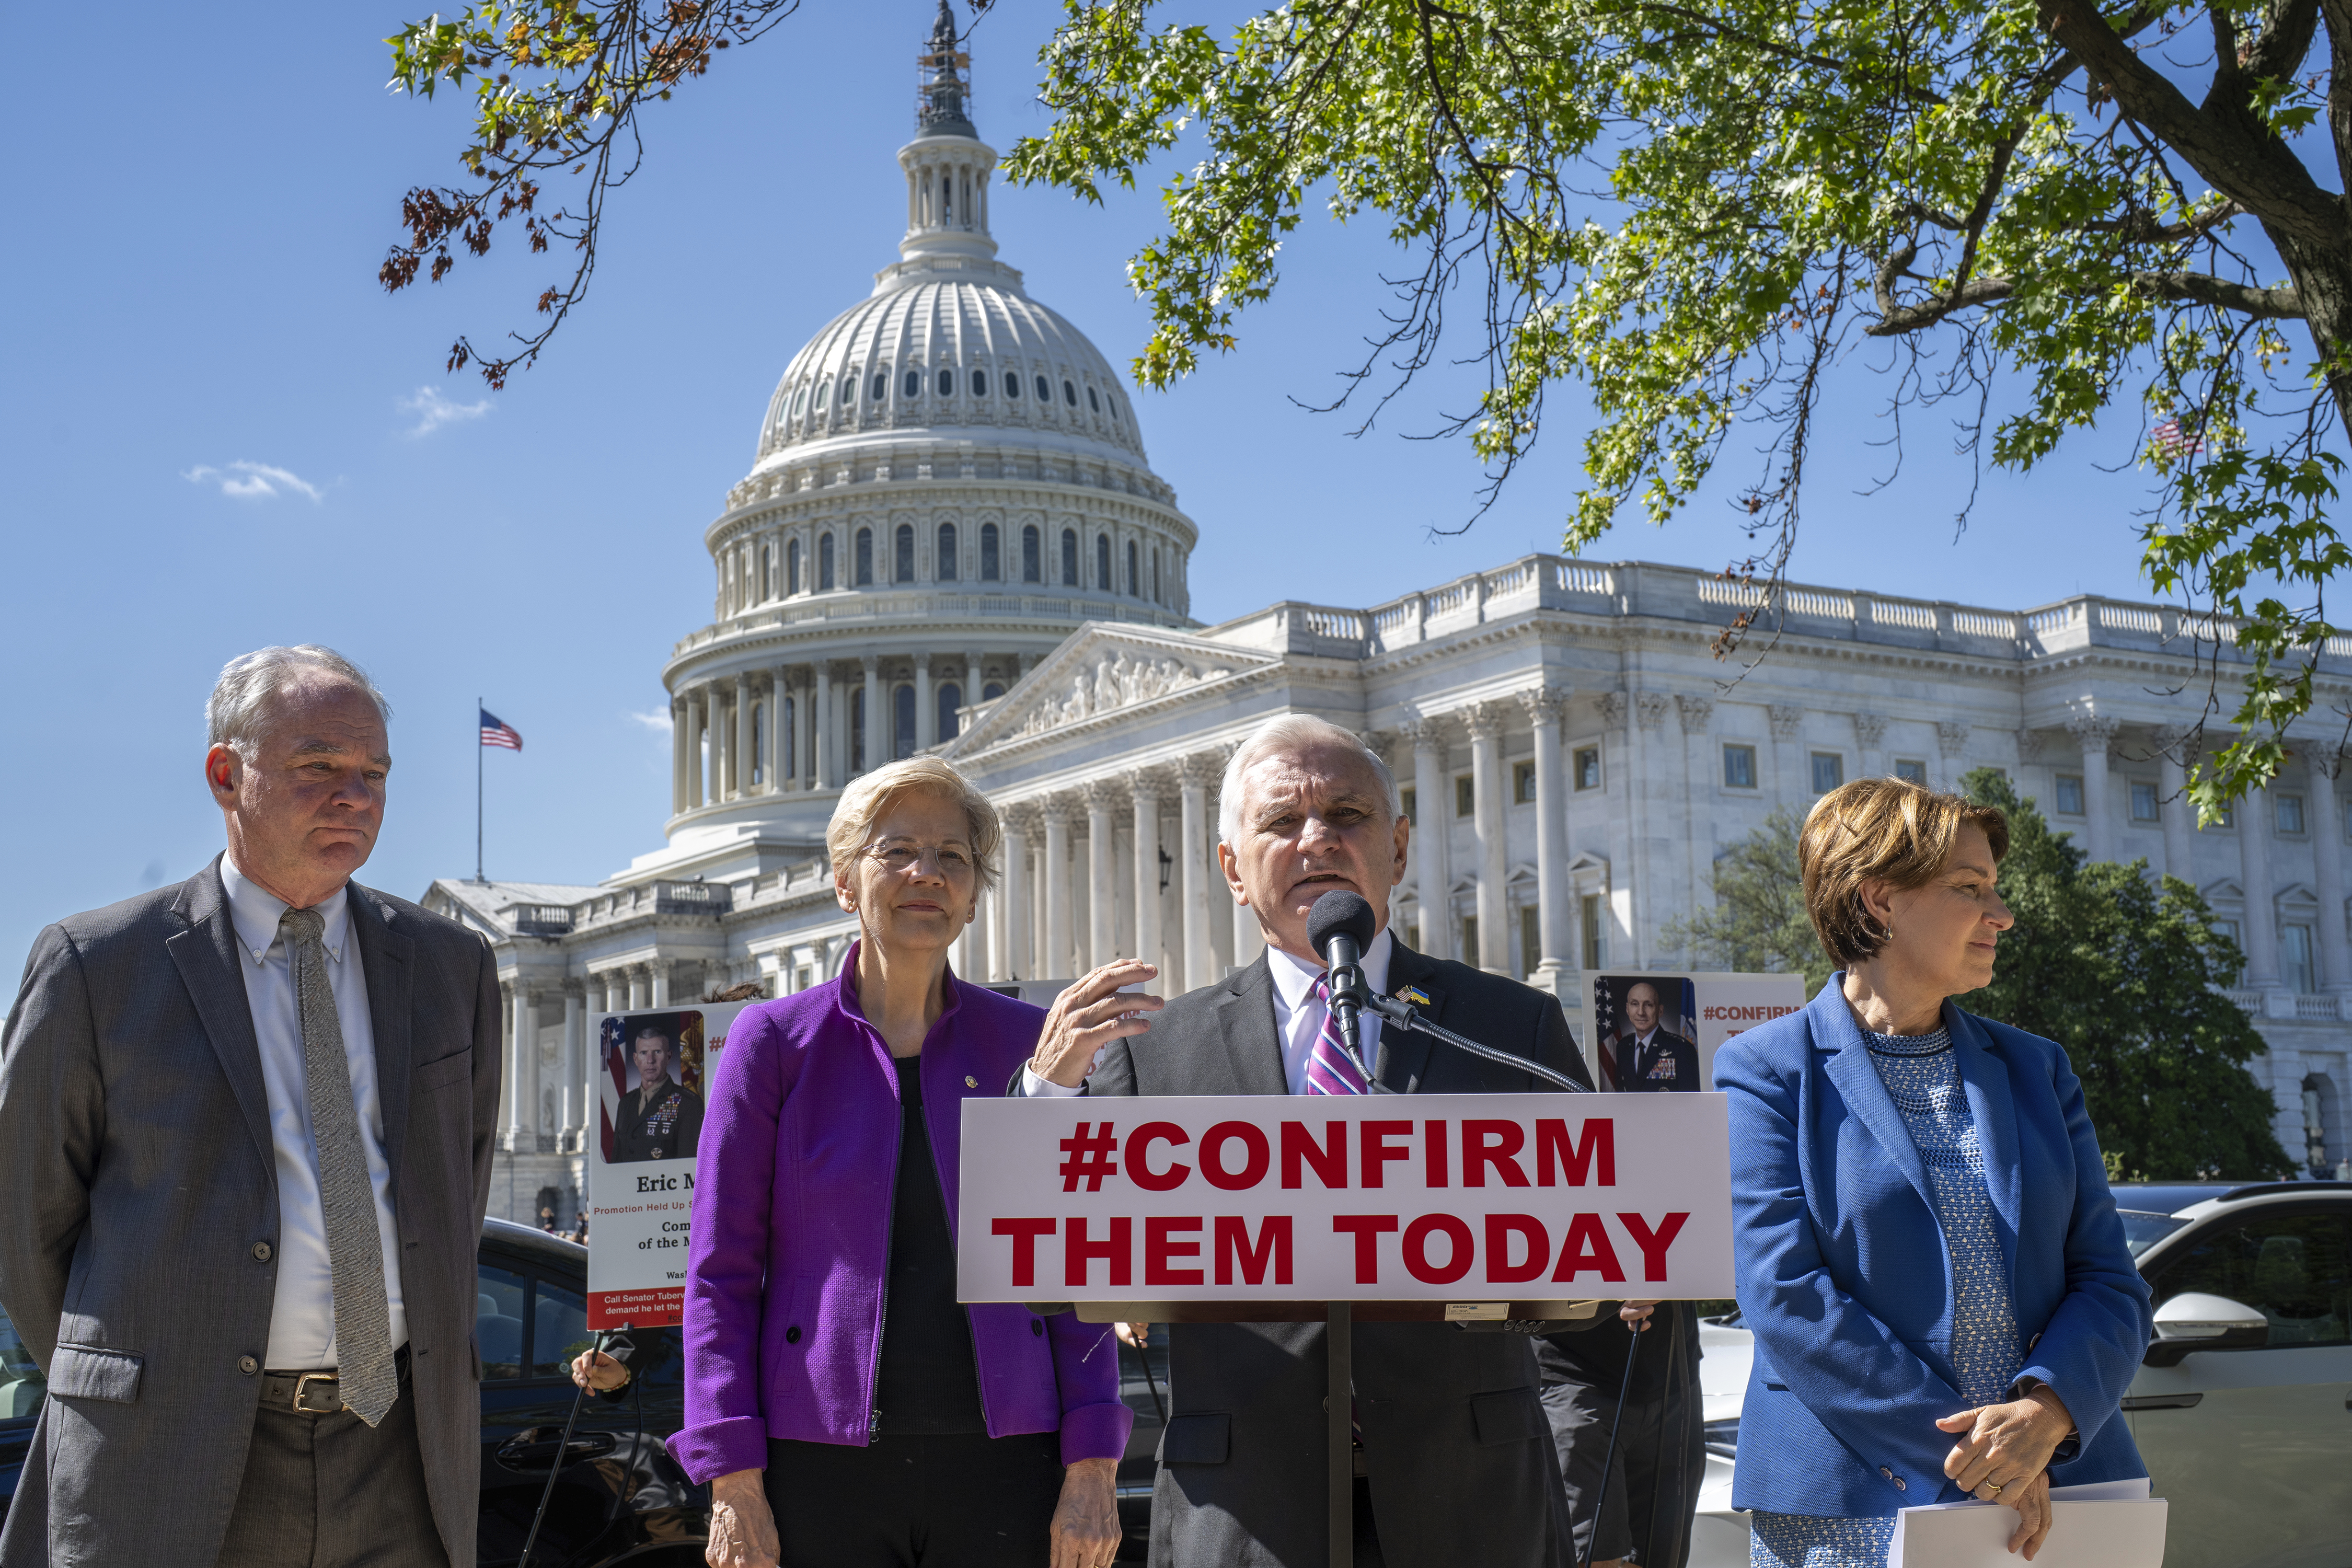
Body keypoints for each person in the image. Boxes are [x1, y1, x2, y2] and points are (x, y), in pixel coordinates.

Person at [1024, 713, 1593, 1568]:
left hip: (1472, 1505)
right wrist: (1047, 1091)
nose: (1317, 839)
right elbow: (1043, 1280)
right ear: (1232, 869)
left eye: (1348, 815)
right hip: (1244, 1511)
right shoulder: (1153, 1054)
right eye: (1282, 823)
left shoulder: (1513, 1026)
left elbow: (1596, 1272)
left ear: (1398, 849)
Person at [0, 645, 502, 1568]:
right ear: (227, 775)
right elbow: (24, 1228)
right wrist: (141, 1378)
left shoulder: (451, 968)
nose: (355, 796)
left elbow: (456, 1190)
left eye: (374, 774)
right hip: (171, 1459)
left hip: (399, 1455)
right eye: (319, 768)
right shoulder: (96, 969)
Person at [656, 756, 1132, 1568]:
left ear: (974, 894)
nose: (927, 873)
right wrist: (733, 1481)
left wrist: (1093, 1465)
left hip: (1009, 1461)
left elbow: (1075, 1273)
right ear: (846, 883)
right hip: (820, 1464)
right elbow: (720, 1275)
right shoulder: (771, 1045)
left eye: (953, 857)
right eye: (898, 851)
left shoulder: (1028, 1045)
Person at [1714, 777, 2153, 1568]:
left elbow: (2111, 1282)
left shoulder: (2037, 1069)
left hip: (2057, 1494)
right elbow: (1783, 1297)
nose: (2003, 914)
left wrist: (2047, 1415)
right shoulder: (1765, 1070)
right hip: (1854, 1501)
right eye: (1968, 888)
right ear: (1879, 899)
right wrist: (1983, 1463)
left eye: (1995, 889)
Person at [609, 1022, 705, 1162]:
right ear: (635, 1059)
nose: (650, 1060)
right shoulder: (625, 1103)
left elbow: (689, 1168)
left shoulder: (688, 1104)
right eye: (644, 1053)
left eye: (657, 1052)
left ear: (669, 1057)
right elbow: (616, 1162)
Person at [1614, 982, 1697, 1092]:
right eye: (1635, 1004)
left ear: (1660, 1010)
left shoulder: (1681, 1049)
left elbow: (1691, 1101)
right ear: (1627, 1009)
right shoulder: (1623, 1047)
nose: (1641, 1012)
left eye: (1648, 1005)